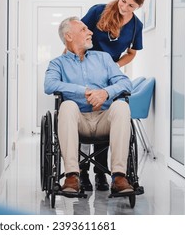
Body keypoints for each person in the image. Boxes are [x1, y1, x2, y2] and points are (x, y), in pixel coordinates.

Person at [44, 16, 133, 194]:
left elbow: (126, 83)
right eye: (84, 29)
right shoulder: (57, 63)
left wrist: (105, 93)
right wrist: (81, 91)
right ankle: (71, 176)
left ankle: (119, 176)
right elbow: (49, 85)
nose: (90, 32)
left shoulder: (104, 58)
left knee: (122, 106)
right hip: (78, 122)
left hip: (104, 119)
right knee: (67, 106)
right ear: (69, 36)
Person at [80, 0, 146, 191]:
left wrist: (114, 66)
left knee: (104, 117)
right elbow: (78, 36)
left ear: (138, 7)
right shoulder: (99, 11)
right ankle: (81, 171)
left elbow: (132, 53)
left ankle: (100, 172)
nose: (124, 7)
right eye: (123, 1)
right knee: (83, 115)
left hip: (108, 76)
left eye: (131, 6)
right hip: (84, 70)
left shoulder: (137, 26)